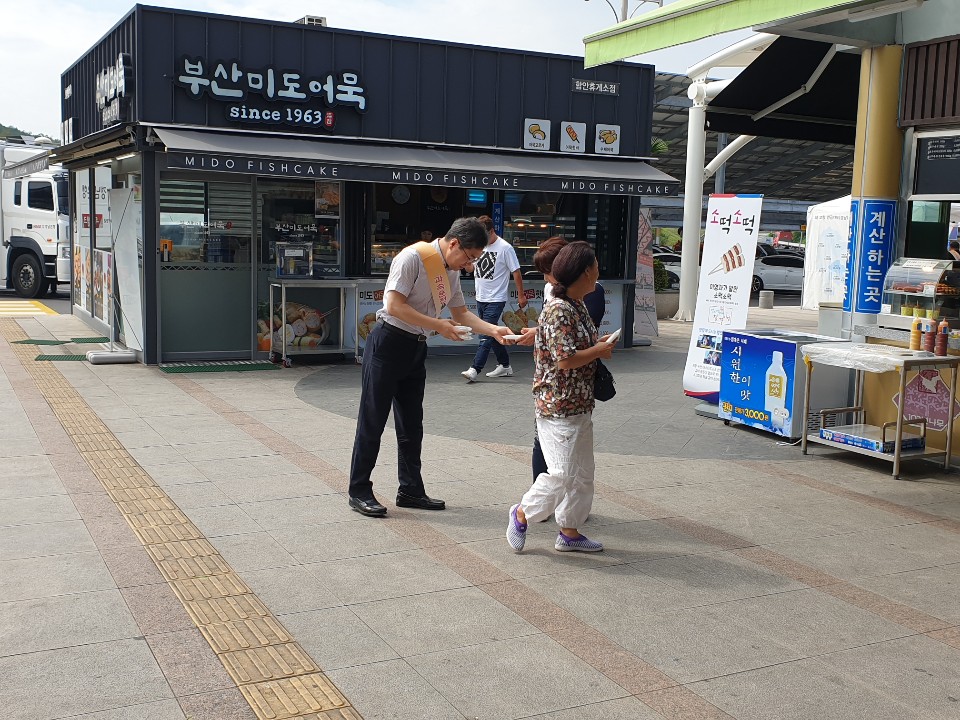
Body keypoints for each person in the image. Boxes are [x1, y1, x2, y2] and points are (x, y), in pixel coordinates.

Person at [348, 217, 512, 517]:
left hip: (416, 348)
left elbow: (460, 313)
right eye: (469, 258)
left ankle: (410, 489)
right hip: (388, 344)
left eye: (474, 261)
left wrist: (493, 330)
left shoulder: (450, 271)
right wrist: (438, 325)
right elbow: (394, 305)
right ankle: (359, 490)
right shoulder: (412, 257)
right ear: (454, 244)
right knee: (373, 421)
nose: (469, 267)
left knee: (412, 425)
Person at [506, 241, 614, 553]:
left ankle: (569, 531)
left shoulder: (576, 304)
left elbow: (576, 347)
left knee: (583, 474)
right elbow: (565, 359)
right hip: (558, 405)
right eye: (595, 266)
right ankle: (522, 513)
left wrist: (599, 344)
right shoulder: (559, 309)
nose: (598, 272)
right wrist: (598, 350)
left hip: (579, 402)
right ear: (585, 272)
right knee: (562, 474)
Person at [518, 237, 605, 485]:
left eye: (549, 271)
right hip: (557, 396)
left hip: (575, 395)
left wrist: (598, 347)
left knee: (577, 470)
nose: (548, 278)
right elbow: (564, 350)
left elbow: (575, 335)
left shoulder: (582, 296)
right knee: (559, 470)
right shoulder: (559, 301)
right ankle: (532, 503)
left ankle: (556, 505)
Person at [461, 215, 527, 382]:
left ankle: (475, 368)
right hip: (481, 296)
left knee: (485, 334)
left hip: (496, 298)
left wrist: (521, 294)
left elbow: (516, 271)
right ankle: (505, 365)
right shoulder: (480, 246)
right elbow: (473, 269)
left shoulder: (505, 248)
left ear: (491, 231)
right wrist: (467, 265)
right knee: (491, 331)